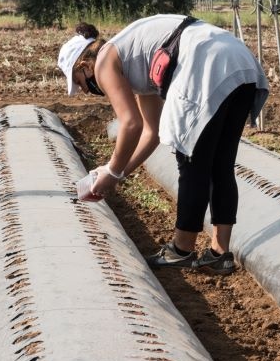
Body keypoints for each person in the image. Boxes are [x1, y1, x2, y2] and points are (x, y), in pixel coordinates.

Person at [57, 15, 269, 275]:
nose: (87, 90)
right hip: (239, 62)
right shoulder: (131, 55)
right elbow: (151, 131)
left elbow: (130, 124)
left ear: (85, 65)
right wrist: (118, 174)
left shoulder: (103, 62)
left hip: (206, 65)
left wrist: (112, 170)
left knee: (191, 159)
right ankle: (219, 254)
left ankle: (181, 250)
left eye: (80, 82)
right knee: (219, 164)